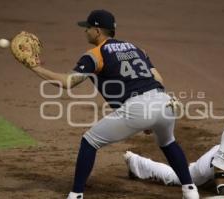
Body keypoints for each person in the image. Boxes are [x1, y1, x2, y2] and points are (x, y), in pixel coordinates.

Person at [26, 9, 199, 199]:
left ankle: (75, 195)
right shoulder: (136, 48)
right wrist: (152, 117)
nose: (85, 31)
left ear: (98, 31)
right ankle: (190, 190)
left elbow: (68, 82)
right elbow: (159, 79)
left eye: (88, 28)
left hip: (138, 107)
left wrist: (35, 67)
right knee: (167, 142)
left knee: (89, 141)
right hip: (165, 103)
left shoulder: (95, 54)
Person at [124, 100, 224, 197]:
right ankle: (135, 162)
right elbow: (219, 165)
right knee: (176, 178)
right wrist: (223, 191)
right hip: (213, 165)